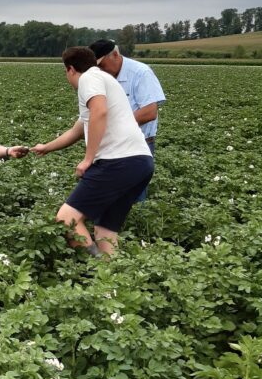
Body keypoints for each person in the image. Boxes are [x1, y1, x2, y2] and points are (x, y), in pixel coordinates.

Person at [32, 47, 154, 256]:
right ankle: (112, 277)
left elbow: (100, 112)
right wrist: (46, 147)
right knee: (105, 228)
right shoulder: (105, 82)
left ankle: (95, 271)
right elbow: (78, 130)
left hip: (118, 162)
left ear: (70, 69)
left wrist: (88, 159)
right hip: (140, 163)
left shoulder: (89, 79)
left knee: (66, 219)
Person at [89, 39, 166, 201]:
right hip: (112, 144)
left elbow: (149, 112)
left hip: (138, 144)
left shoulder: (141, 72)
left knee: (134, 194)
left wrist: (114, 125)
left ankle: (137, 224)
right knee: (111, 194)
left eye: (102, 64)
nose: (100, 69)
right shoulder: (102, 77)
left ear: (115, 55)